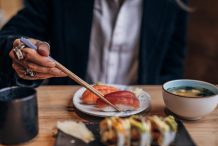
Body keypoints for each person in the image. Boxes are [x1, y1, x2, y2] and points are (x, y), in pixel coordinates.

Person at [0, 0, 189, 88]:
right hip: (70, 109)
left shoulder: (172, 4)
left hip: (142, 114)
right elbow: (7, 37)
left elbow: (172, 67)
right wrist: (20, 51)